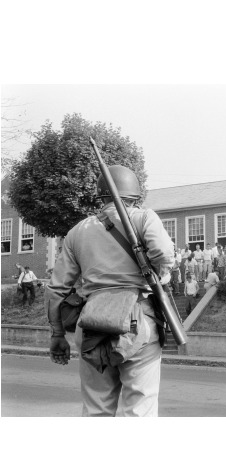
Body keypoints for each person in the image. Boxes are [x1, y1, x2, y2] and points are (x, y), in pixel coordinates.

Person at [45, 164, 175, 417]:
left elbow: (56, 290)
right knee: (139, 410)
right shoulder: (144, 217)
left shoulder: (77, 231)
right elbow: (163, 254)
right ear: (135, 196)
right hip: (137, 320)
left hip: (92, 321)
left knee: (96, 410)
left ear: (100, 196)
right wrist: (159, 272)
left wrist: (57, 334)